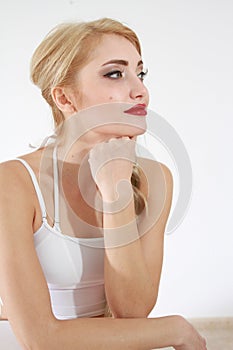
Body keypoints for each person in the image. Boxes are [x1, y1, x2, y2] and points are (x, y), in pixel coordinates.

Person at [0, 17, 207, 349]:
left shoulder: (155, 180)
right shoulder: (13, 183)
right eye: (115, 73)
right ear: (66, 99)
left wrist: (116, 190)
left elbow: (132, 311)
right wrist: (176, 329)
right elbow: (40, 339)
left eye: (140, 73)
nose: (140, 90)